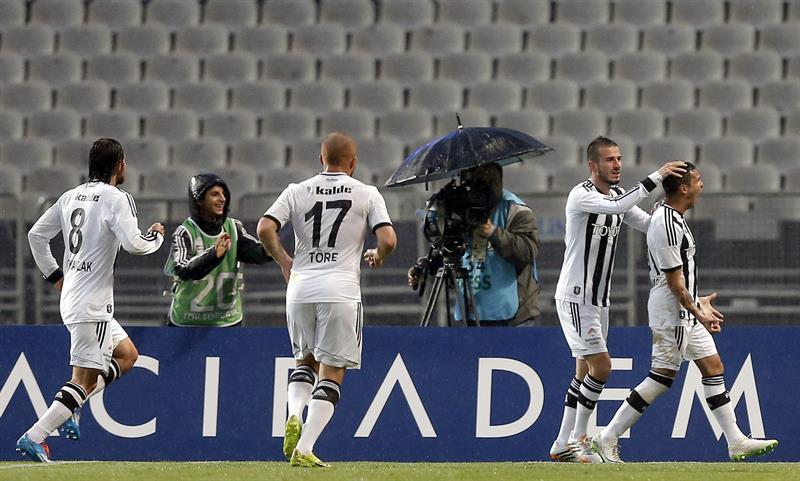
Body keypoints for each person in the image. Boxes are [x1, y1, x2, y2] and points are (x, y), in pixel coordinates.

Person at [591, 163, 778, 463]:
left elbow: (682, 282)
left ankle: (736, 442)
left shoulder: (672, 216)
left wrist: (699, 302)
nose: (702, 185)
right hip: (672, 311)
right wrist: (698, 311)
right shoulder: (665, 224)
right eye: (698, 180)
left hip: (684, 309)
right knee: (661, 379)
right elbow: (675, 284)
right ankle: (607, 436)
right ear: (683, 188)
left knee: (713, 366)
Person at [17, 138, 164, 462]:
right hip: (91, 304)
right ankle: (35, 435)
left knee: (127, 355)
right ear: (120, 165)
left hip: (74, 296)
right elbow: (135, 244)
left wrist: (55, 276)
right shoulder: (116, 198)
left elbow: (36, 235)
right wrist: (157, 235)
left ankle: (73, 405)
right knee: (82, 380)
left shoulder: (71, 196)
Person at [257, 132, 396, 468]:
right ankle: (304, 447)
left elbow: (264, 228)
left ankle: (293, 414)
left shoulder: (296, 190)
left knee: (304, 362)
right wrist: (378, 254)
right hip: (340, 290)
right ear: (353, 161)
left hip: (300, 288)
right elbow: (388, 238)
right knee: (332, 374)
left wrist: (285, 261)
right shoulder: (366, 192)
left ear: (321, 159)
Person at [550, 136, 686, 463]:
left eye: (619, 159)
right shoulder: (582, 195)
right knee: (602, 366)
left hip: (599, 300)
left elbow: (646, 223)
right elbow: (618, 207)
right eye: (610, 160)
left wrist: (671, 215)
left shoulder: (615, 197)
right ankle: (582, 442)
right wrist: (655, 177)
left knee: (584, 370)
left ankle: (561, 444)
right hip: (577, 296)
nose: (617, 165)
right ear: (592, 165)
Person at [407, 163, 540, 326]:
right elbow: (451, 245)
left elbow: (528, 251)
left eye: (489, 182)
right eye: (476, 182)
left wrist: (493, 232)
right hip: (470, 308)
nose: (483, 188)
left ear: (499, 183)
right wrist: (427, 266)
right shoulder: (460, 208)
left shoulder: (516, 210)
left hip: (513, 315)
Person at [165, 173, 271, 327]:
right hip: (187, 322)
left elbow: (256, 253)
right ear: (199, 200)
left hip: (228, 321)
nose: (222, 199)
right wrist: (213, 255)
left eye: (223, 194)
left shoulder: (234, 228)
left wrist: (271, 248)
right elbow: (183, 269)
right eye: (215, 194)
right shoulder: (185, 232)